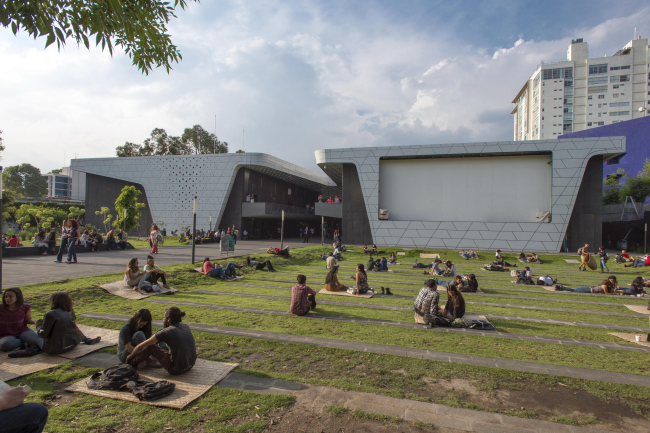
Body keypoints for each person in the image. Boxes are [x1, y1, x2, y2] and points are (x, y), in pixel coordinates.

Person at [127, 307, 197, 375]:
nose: (163, 320)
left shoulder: (167, 332)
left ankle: (132, 364)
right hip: (190, 365)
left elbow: (140, 346)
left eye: (164, 317)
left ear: (168, 319)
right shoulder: (186, 326)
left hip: (176, 369)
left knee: (150, 347)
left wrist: (130, 356)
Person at [0, 288, 43, 357]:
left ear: (18, 297)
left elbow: (28, 319)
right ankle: (23, 343)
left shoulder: (25, 307)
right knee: (4, 345)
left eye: (10, 296)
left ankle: (48, 349)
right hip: (5, 334)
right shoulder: (0, 308)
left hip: (21, 331)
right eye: (6, 296)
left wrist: (35, 322)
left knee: (36, 340)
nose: (7, 298)